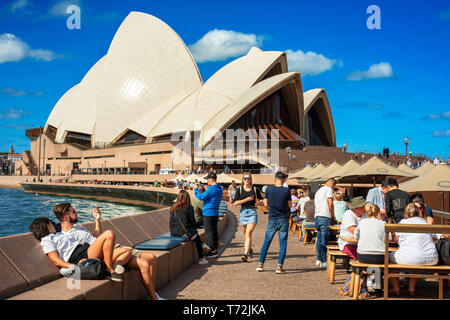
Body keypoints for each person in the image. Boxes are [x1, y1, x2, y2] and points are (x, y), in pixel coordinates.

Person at [50, 203, 165, 300]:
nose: (77, 213)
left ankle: (152, 294)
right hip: (105, 253)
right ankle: (154, 297)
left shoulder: (78, 227)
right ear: (66, 217)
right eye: (73, 211)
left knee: (151, 259)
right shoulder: (66, 236)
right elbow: (82, 252)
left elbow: (96, 238)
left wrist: (97, 220)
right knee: (144, 263)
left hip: (110, 248)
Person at [29, 215, 130, 282]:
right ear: (46, 226)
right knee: (109, 234)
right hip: (79, 255)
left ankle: (111, 265)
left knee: (127, 251)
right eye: (51, 223)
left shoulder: (58, 234)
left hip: (86, 251)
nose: (53, 224)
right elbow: (56, 260)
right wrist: (75, 267)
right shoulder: (47, 240)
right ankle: (109, 269)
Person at [389, 203, 439, 296]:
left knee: (387, 259)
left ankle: (396, 288)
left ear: (406, 214)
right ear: (419, 212)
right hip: (431, 258)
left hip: (409, 258)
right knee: (415, 257)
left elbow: (395, 239)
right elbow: (433, 237)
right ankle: (411, 289)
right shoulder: (425, 223)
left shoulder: (403, 222)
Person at [257, 171, 291, 274]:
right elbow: (290, 205)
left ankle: (260, 264)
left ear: (275, 179)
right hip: (283, 218)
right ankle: (279, 267)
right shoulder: (286, 191)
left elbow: (266, 204)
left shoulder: (269, 189)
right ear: (283, 179)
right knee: (283, 243)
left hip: (272, 218)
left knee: (267, 241)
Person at [170, 190, 208, 265]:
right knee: (197, 239)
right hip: (184, 233)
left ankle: (203, 244)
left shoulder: (173, 207)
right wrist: (195, 231)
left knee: (195, 236)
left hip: (173, 232)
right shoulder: (188, 207)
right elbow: (192, 222)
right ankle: (201, 258)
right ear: (187, 198)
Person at [232, 173, 262, 262]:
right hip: (243, 213)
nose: (247, 180)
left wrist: (259, 203)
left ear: (251, 179)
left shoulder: (255, 189)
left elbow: (261, 199)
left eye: (248, 178)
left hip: (252, 212)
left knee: (248, 233)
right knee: (245, 235)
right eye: (245, 178)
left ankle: (245, 255)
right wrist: (247, 199)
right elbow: (234, 203)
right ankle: (249, 249)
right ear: (243, 180)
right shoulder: (239, 189)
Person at [194, 172, 223, 258]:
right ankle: (215, 248)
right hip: (215, 213)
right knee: (214, 231)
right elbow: (211, 194)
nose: (207, 181)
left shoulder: (211, 189)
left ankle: (212, 251)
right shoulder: (219, 188)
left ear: (211, 180)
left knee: (209, 232)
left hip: (208, 213)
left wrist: (196, 190)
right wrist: (208, 188)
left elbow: (201, 197)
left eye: (207, 180)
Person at [314, 178, 336, 268]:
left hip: (317, 216)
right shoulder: (328, 189)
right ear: (332, 184)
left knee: (319, 239)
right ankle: (323, 261)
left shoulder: (319, 191)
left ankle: (318, 259)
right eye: (334, 187)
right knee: (324, 239)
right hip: (325, 216)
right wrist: (333, 215)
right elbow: (330, 203)